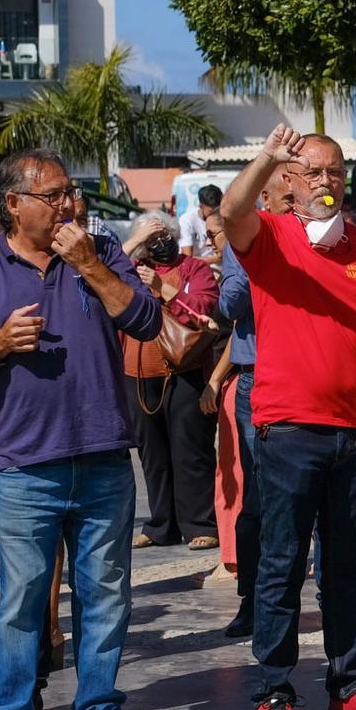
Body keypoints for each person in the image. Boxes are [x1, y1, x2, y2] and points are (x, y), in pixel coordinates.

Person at [222, 124, 356, 710]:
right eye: (312, 172)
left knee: (345, 568)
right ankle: (274, 692)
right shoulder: (271, 236)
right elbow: (230, 210)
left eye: (335, 173)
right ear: (289, 182)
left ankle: (349, 684)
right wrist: (266, 154)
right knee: (280, 566)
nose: (326, 182)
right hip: (288, 427)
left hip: (353, 429)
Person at [0, 149, 162, 710]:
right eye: (53, 195)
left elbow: (144, 319)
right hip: (27, 463)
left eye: (70, 192)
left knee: (106, 592)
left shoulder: (99, 253)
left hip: (105, 454)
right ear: (14, 204)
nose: (69, 204)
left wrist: (90, 265)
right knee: (22, 597)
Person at [212, 169, 294, 638]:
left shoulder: (321, 239)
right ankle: (252, 600)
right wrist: (253, 255)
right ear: (262, 198)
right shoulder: (243, 240)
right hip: (257, 380)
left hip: (307, 380)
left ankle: (326, 595)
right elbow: (229, 305)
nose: (292, 205)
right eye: (283, 198)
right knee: (259, 498)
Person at [120, 211, 221, 553]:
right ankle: (161, 524)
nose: (159, 242)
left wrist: (162, 288)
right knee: (152, 454)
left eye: (164, 234)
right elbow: (97, 278)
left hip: (185, 372)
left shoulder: (196, 269)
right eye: (151, 237)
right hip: (138, 373)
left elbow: (204, 308)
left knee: (191, 451)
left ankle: (200, 524)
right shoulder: (130, 271)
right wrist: (132, 247)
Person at [177, 184, 221, 258]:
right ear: (201, 206)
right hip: (195, 267)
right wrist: (216, 259)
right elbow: (187, 257)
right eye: (211, 212)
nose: (215, 215)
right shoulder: (187, 220)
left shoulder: (224, 217)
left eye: (217, 210)